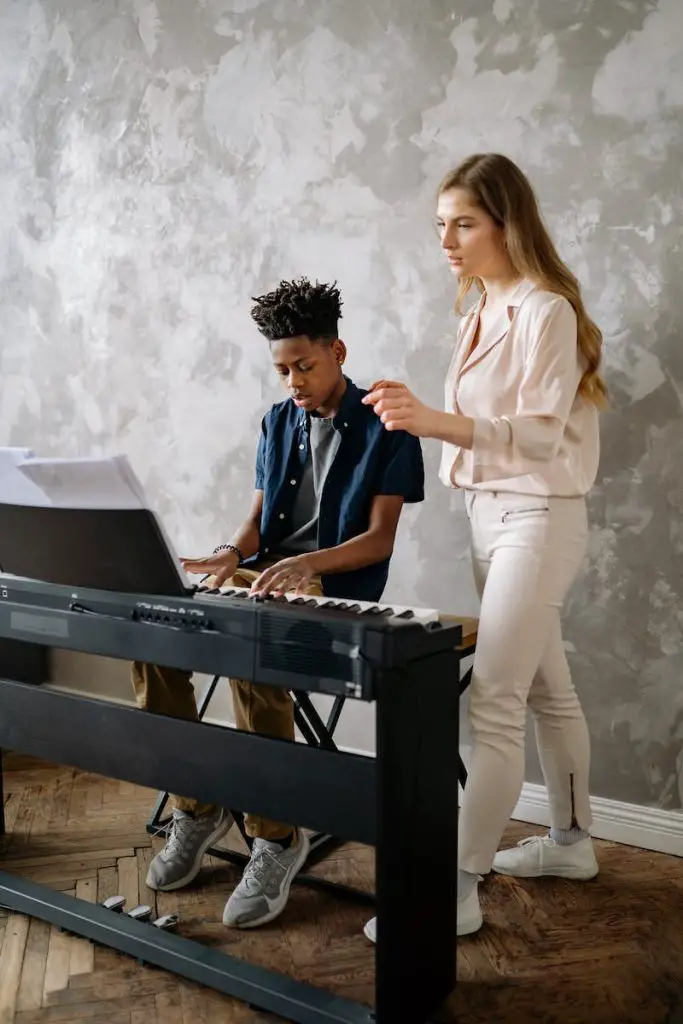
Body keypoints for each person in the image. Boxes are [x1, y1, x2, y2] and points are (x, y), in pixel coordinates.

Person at [362, 153, 607, 941]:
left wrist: (430, 420)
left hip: (538, 516)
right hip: (488, 518)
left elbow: (537, 435)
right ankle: (571, 844)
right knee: (544, 691)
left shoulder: (546, 311)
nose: (446, 240)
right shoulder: (476, 308)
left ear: (508, 222)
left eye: (463, 223)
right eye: (439, 225)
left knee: (494, 702)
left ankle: (455, 887)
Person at [132, 277, 424, 930]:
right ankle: (195, 807)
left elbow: (377, 540)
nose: (292, 380)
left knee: (246, 640)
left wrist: (305, 565)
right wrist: (230, 556)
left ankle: (274, 835)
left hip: (337, 593)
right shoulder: (276, 420)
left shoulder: (387, 426)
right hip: (265, 581)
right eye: (282, 368)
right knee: (155, 636)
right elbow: (258, 524)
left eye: (304, 366)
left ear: (338, 352)